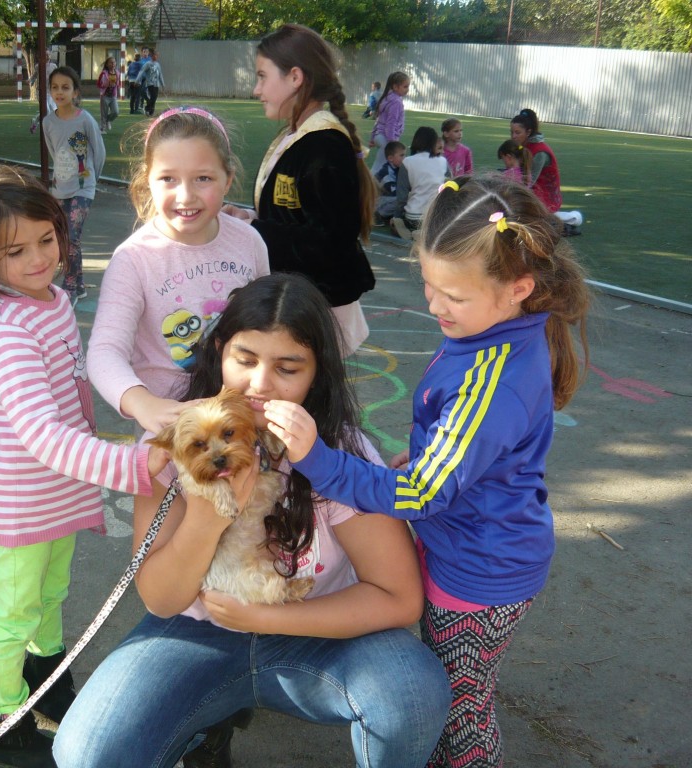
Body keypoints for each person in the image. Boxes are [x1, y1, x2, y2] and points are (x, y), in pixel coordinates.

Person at [54, 272, 451, 768]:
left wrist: (267, 619)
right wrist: (205, 517)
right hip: (199, 631)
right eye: (245, 360)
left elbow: (399, 597)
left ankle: (209, 718)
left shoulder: (341, 453)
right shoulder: (178, 441)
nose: (260, 384)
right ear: (218, 350)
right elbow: (161, 599)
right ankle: (204, 726)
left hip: (320, 630)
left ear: (317, 373)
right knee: (87, 753)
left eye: (288, 367)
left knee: (413, 691)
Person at [265, 175, 591, 768]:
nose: (435, 306)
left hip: (478, 574)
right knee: (460, 696)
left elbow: (421, 493)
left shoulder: (492, 378)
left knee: (460, 715)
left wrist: (317, 459)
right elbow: (470, 451)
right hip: (480, 548)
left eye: (454, 297)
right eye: (429, 285)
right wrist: (431, 457)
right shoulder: (494, 330)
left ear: (518, 289)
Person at [0, 164, 169, 768]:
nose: (38, 259)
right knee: (14, 613)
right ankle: (3, 717)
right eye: (15, 251)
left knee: (51, 595)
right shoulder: (9, 332)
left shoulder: (50, 301)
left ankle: (45, 674)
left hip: (60, 494)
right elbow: (43, 436)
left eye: (46, 239)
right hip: (22, 505)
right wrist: (133, 465)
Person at [88, 106, 269, 435]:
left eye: (203, 178)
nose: (185, 196)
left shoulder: (249, 242)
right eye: (168, 178)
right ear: (148, 181)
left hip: (240, 423)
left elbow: (269, 327)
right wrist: (143, 402)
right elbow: (104, 352)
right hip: (171, 432)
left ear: (228, 180)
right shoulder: (133, 259)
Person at [222, 24, 376, 358]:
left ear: (295, 77)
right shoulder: (298, 136)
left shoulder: (325, 145)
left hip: (317, 313)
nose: (256, 89)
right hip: (300, 304)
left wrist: (253, 229)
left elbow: (329, 242)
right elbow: (295, 217)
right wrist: (248, 216)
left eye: (262, 77)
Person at [42, 65, 105, 306]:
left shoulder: (85, 119)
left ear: (75, 92)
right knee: (64, 238)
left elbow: (99, 152)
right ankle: (79, 285)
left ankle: (69, 287)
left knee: (71, 237)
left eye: (65, 87)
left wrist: (91, 180)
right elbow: (54, 152)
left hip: (83, 188)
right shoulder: (48, 122)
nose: (60, 92)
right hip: (60, 189)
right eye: (55, 87)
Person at [510, 109, 583, 235]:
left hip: (544, 195)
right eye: (512, 132)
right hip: (533, 191)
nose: (513, 136)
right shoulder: (524, 147)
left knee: (526, 218)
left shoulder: (539, 152)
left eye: (517, 132)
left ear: (528, 132)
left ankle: (572, 219)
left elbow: (529, 182)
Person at [390, 126, 449, 241]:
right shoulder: (443, 161)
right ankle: (426, 233)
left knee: (397, 221)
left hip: (413, 216)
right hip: (434, 217)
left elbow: (402, 197)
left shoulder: (407, 162)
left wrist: (396, 217)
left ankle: (408, 229)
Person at [369, 71, 409, 174]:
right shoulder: (396, 102)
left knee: (382, 164)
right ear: (395, 87)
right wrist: (392, 142)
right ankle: (370, 181)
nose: (407, 89)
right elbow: (390, 124)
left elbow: (379, 120)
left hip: (379, 136)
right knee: (379, 166)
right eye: (405, 86)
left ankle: (378, 180)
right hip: (386, 138)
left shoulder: (387, 98)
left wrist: (373, 137)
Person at [374, 139, 406, 223]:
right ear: (390, 158)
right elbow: (393, 192)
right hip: (379, 201)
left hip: (387, 198)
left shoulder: (397, 168)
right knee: (401, 200)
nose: (404, 158)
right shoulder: (387, 173)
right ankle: (379, 214)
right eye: (401, 155)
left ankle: (390, 214)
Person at [29, 50, 57, 135]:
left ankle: (35, 121)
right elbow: (34, 75)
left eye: (48, 55)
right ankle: (38, 124)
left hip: (51, 92)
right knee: (46, 110)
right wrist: (31, 81)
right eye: (45, 55)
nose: (47, 56)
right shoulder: (38, 66)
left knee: (54, 111)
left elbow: (58, 76)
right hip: (41, 92)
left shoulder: (54, 66)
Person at [138, 49, 165, 117]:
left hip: (156, 84)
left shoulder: (158, 64)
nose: (156, 56)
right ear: (152, 56)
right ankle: (147, 109)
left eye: (157, 55)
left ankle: (151, 111)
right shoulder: (148, 64)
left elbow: (160, 74)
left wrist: (162, 84)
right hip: (150, 83)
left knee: (154, 97)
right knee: (152, 97)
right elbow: (141, 71)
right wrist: (137, 80)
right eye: (155, 55)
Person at [97, 56, 119, 133]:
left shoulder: (117, 73)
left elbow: (118, 83)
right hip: (105, 96)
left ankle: (108, 120)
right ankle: (102, 129)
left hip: (113, 96)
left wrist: (116, 86)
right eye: (111, 62)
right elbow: (99, 84)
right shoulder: (104, 73)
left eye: (114, 62)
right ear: (107, 64)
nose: (113, 64)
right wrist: (106, 84)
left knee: (116, 112)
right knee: (104, 113)